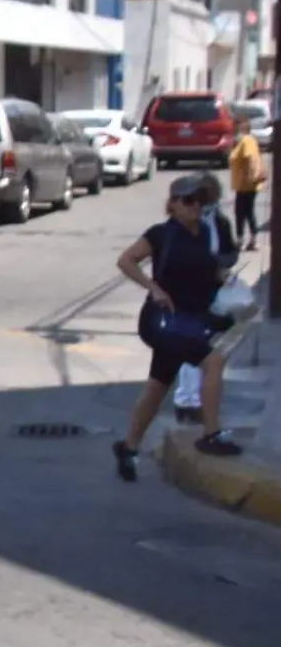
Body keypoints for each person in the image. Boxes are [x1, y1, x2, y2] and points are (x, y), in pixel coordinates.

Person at [112, 174, 245, 479]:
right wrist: (153, 287)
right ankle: (211, 435)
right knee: (213, 362)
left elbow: (209, 272)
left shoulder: (204, 234)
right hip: (163, 321)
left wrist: (224, 284)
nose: (195, 206)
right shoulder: (161, 234)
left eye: (200, 200)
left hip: (188, 321)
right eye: (188, 200)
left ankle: (128, 446)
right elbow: (126, 260)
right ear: (172, 204)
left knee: (158, 385)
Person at [171, 172, 232, 422]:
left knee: (201, 347)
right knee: (194, 348)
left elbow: (229, 250)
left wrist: (221, 267)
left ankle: (190, 399)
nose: (201, 203)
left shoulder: (218, 220)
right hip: (189, 293)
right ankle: (188, 401)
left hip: (210, 291)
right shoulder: (184, 224)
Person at [229, 117, 263, 253]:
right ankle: (248, 240)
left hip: (246, 184)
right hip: (244, 184)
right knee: (245, 212)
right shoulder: (245, 141)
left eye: (236, 127)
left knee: (243, 212)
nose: (233, 129)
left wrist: (249, 175)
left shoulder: (246, 140)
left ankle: (243, 240)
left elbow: (249, 157)